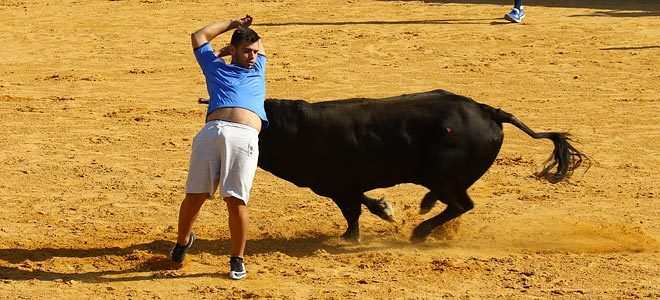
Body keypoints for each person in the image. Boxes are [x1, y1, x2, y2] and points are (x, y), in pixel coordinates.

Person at [170, 15, 267, 281]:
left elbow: (258, 43)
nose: (253, 57)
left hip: (244, 136)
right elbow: (198, 36)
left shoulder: (259, 68)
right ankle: (182, 242)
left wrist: (245, 31)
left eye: (255, 52)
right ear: (233, 50)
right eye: (247, 51)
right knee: (195, 195)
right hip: (212, 133)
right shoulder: (215, 67)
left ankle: (237, 259)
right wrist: (233, 24)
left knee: (236, 199)